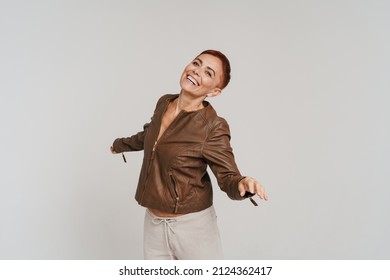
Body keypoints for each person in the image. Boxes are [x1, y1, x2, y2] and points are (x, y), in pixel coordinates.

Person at [110, 49, 268, 260]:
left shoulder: (213, 126)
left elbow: (228, 177)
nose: (196, 71)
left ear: (214, 92)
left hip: (193, 230)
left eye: (208, 73)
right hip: (154, 225)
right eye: (196, 63)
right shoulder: (164, 102)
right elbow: (151, 135)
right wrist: (121, 145)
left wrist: (242, 184)